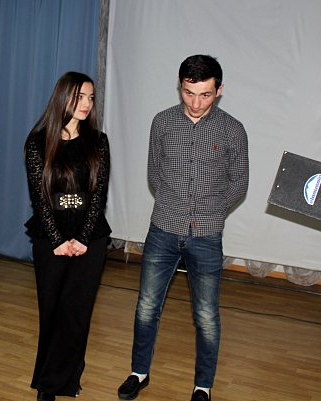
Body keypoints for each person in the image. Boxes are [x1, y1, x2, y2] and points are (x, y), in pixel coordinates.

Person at [117, 55, 249, 401]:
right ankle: (139, 373)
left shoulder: (233, 130)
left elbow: (239, 182)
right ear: (180, 85)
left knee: (206, 315)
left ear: (219, 90)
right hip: (163, 228)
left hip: (206, 234)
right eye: (189, 93)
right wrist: (173, 205)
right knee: (147, 306)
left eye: (205, 94)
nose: (196, 103)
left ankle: (203, 386)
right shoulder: (162, 122)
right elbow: (154, 172)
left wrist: (212, 212)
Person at [24, 72, 111, 401]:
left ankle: (68, 380)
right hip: (50, 237)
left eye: (90, 97)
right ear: (63, 98)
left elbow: (99, 196)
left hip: (91, 237)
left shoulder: (98, 141)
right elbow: (39, 196)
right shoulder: (38, 142)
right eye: (79, 97)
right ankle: (47, 385)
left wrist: (83, 238)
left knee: (77, 315)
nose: (87, 104)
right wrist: (58, 239)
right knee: (52, 312)